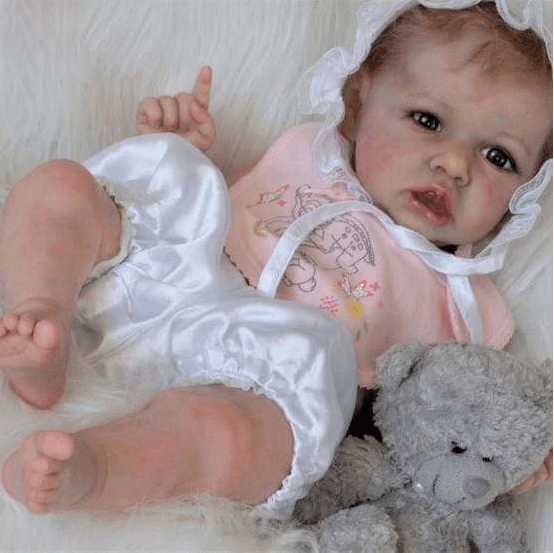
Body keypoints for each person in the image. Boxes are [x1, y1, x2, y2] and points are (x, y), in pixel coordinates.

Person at [0, 0, 551, 517]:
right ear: (358, 103)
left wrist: (509, 459)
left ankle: (96, 467)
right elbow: (203, 210)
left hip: (257, 379)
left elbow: (461, 419)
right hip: (172, 278)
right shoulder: (305, 154)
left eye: (499, 157)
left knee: (231, 436)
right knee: (67, 186)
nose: (455, 164)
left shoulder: (466, 305)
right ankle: (40, 317)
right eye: (428, 120)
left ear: (528, 190)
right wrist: (175, 152)